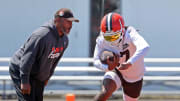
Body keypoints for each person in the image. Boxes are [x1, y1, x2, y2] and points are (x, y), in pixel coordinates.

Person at [9, 8, 79, 101]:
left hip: (37, 73)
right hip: (21, 68)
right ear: (57, 20)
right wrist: (24, 80)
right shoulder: (42, 35)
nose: (71, 25)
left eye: (72, 22)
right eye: (68, 22)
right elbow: (28, 57)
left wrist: (47, 77)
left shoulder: (64, 40)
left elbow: (54, 61)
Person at [93, 12, 150, 101]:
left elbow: (145, 47)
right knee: (105, 92)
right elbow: (95, 61)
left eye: (114, 36)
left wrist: (130, 63)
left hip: (134, 76)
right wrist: (107, 67)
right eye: (108, 37)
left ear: (122, 31)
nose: (112, 40)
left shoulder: (130, 33)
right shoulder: (101, 39)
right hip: (116, 70)